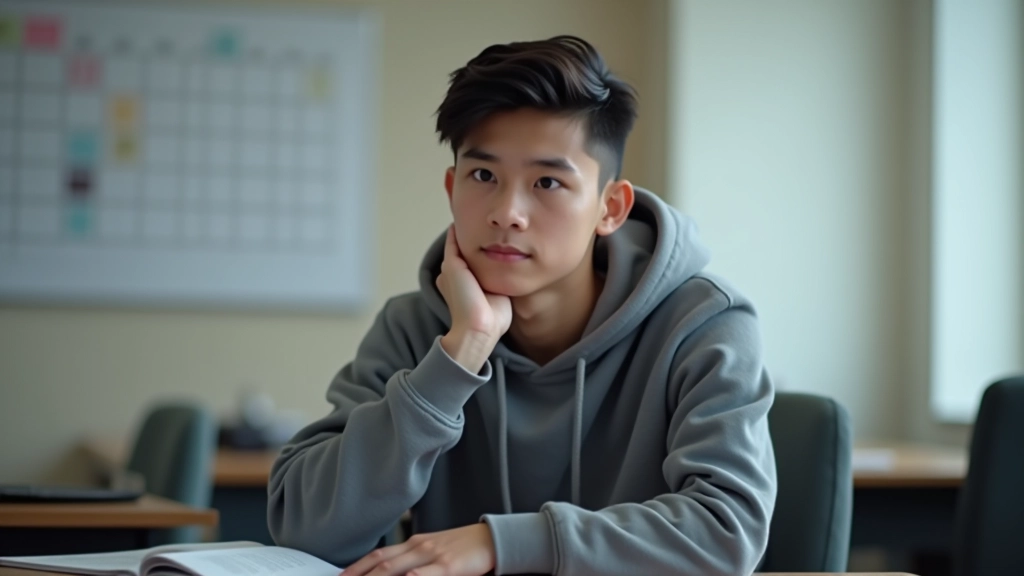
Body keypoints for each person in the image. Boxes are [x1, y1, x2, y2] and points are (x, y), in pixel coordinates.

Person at [267, 35, 777, 576]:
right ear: (452, 187)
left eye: (548, 182)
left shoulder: (703, 324)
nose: (508, 212)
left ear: (610, 208)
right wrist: (457, 358)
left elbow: (729, 530)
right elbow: (303, 528)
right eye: (483, 176)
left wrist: (501, 543)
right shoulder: (417, 328)